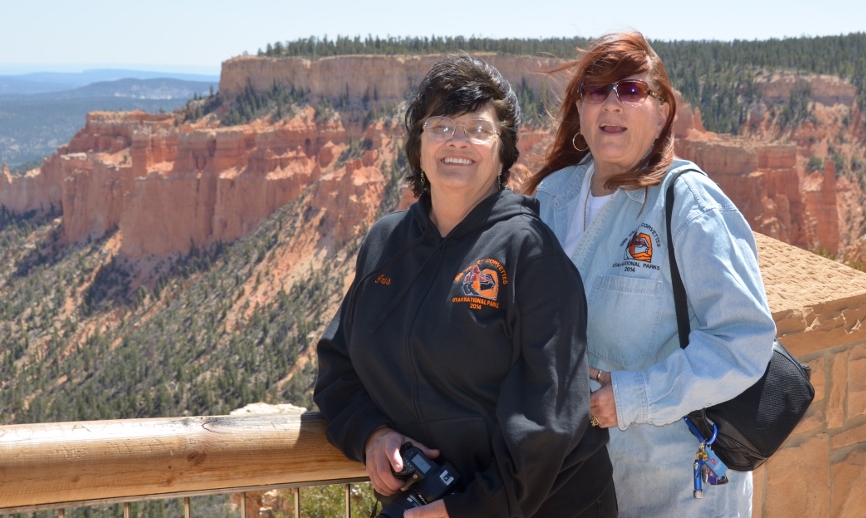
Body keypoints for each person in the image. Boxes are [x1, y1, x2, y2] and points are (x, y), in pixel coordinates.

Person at [315, 55, 616, 518]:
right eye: (441, 126)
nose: (458, 142)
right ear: (419, 143)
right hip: (425, 501)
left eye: (479, 129)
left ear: (503, 151)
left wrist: (467, 509)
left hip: (538, 507)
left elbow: (550, 419)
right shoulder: (386, 243)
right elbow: (338, 367)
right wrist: (372, 435)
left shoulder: (531, 253)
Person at [524, 33, 776, 517]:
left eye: (632, 91)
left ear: (662, 112)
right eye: (596, 91)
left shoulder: (686, 206)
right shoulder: (552, 197)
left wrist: (634, 396)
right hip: (573, 485)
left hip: (675, 489)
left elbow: (745, 339)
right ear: (580, 110)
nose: (612, 103)